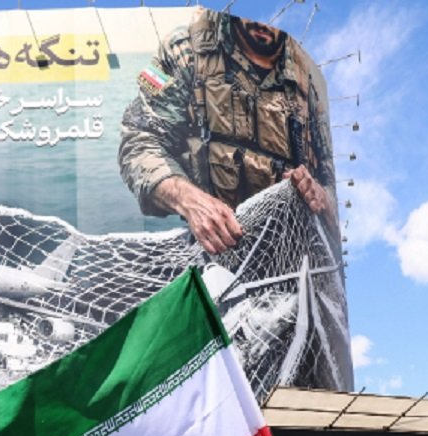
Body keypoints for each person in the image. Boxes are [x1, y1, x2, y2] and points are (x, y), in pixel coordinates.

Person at [118, 9, 336, 254]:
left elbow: (331, 181)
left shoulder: (308, 81)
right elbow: (139, 142)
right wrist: (189, 200)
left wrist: (321, 197)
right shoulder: (186, 50)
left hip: (293, 253)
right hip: (211, 251)